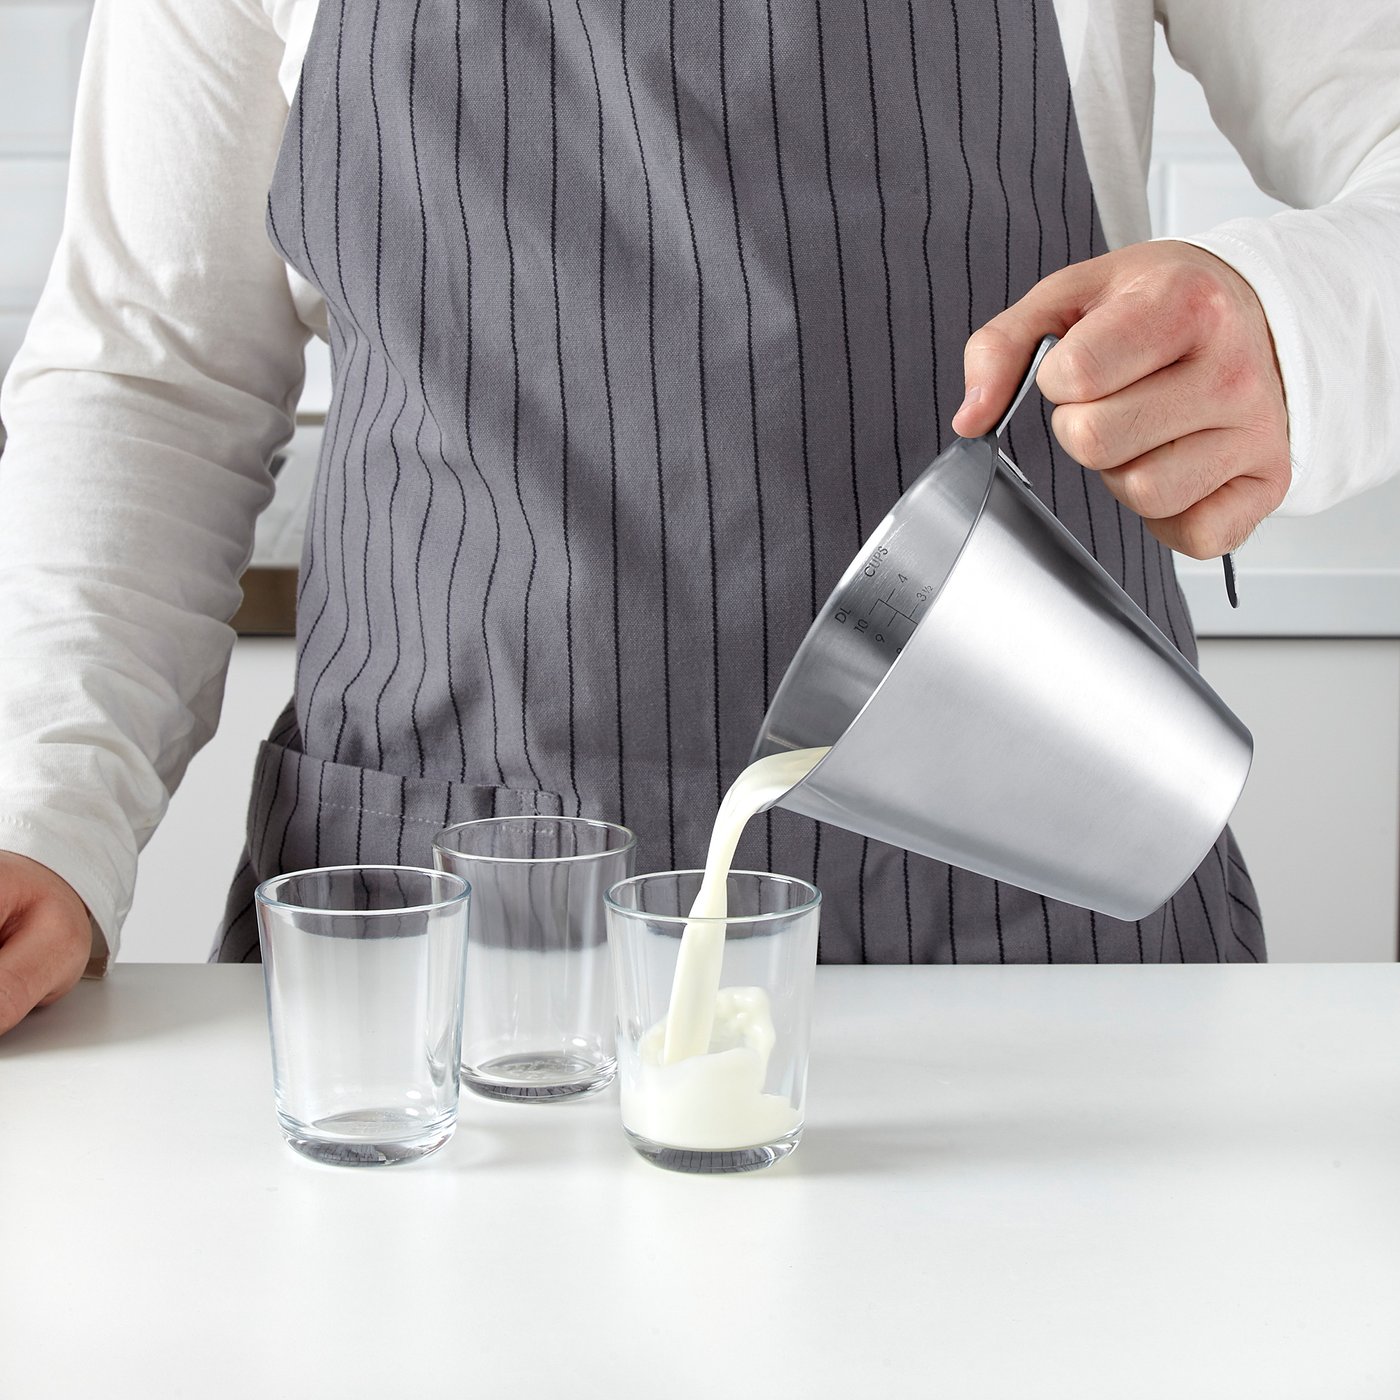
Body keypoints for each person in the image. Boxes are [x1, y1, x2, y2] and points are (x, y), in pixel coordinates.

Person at [1, 0, 1397, 1033]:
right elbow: (153, 374)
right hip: (431, 975)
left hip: (1037, 958)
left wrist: (1298, 329)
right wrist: (45, 808)